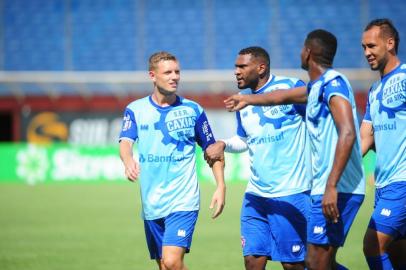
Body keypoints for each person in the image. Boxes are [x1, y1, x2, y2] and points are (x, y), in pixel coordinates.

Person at [223, 30, 365, 270]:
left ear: (308, 53)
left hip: (317, 189)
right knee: (310, 261)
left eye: (302, 48)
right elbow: (278, 98)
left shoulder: (333, 83)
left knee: (309, 263)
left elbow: (348, 132)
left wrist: (330, 185)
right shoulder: (314, 88)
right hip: (270, 192)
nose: (236, 70)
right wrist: (246, 101)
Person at [205, 46, 311, 270]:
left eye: (242, 66)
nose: (236, 71)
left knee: (293, 265)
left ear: (261, 68)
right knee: (252, 261)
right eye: (235, 66)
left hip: (291, 192)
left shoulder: (292, 87)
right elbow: (244, 140)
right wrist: (223, 143)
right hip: (255, 196)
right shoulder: (243, 99)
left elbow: (317, 125)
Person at [118, 51, 226, 270]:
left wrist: (221, 185)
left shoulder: (193, 110)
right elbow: (125, 142)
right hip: (152, 203)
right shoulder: (135, 109)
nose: (174, 76)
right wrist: (128, 161)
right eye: (168, 72)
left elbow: (213, 150)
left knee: (172, 261)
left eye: (177, 72)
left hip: (183, 200)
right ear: (152, 75)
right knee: (165, 266)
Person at [360, 18, 406, 270]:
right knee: (398, 258)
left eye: (371, 46)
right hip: (383, 185)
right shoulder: (375, 90)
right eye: (363, 47)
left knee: (372, 245)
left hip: (403, 183)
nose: (367, 53)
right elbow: (365, 138)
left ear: (390, 43)